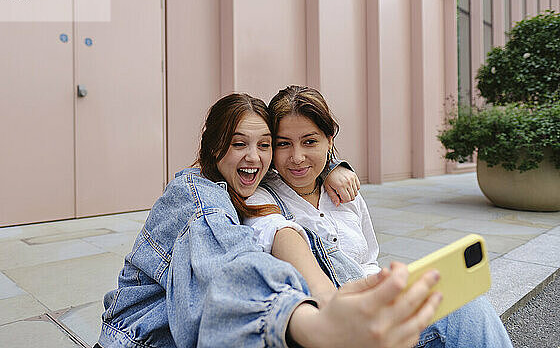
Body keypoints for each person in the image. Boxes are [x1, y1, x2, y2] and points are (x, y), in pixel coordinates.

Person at [97, 92, 443, 348]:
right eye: (238, 143)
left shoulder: (249, 188)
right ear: (214, 146)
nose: (253, 157)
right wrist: (314, 321)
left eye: (264, 145)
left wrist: (334, 166)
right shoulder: (198, 194)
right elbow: (229, 265)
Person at [244, 85, 513, 347]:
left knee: (464, 302)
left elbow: (369, 260)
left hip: (378, 310)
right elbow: (277, 233)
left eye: (310, 141)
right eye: (283, 144)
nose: (297, 157)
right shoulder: (263, 197)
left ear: (329, 141)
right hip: (331, 327)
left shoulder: (346, 194)